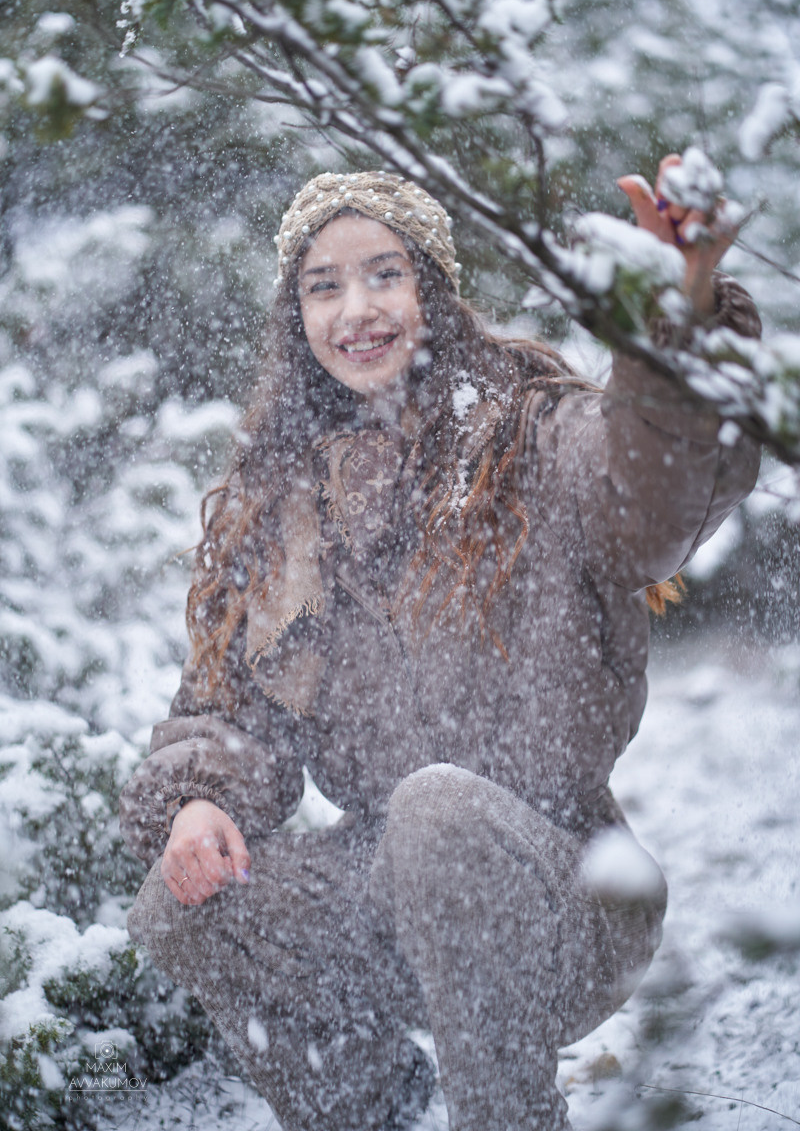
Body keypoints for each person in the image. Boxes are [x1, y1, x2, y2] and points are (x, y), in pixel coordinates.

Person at [120, 158, 761, 1131]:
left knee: (438, 808)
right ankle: (371, 1111)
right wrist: (202, 796)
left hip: (568, 893)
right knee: (181, 910)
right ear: (295, 318)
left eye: (384, 274)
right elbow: (231, 708)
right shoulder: (285, 502)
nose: (355, 310)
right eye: (321, 286)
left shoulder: (533, 438)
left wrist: (677, 321)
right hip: (383, 893)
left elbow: (656, 496)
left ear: (434, 288)